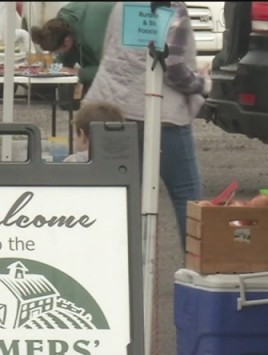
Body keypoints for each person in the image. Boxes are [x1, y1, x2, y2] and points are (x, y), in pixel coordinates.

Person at [83, 1, 211, 247]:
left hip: (114, 108)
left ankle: (128, 270)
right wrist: (204, 83)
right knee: (188, 197)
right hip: (162, 113)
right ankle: (198, 270)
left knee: (128, 197)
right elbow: (173, 69)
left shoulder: (122, 5)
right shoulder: (171, 8)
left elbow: (109, 50)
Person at [30, 2, 115, 94]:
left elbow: (111, 68)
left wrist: (79, 72)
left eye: (58, 51)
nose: (58, 54)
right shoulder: (64, 22)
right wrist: (52, 67)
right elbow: (65, 56)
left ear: (67, 41)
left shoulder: (92, 37)